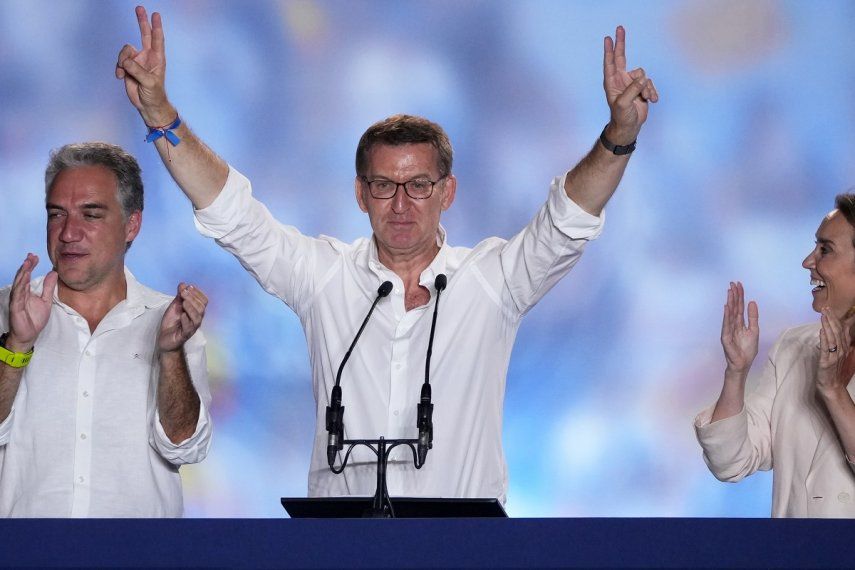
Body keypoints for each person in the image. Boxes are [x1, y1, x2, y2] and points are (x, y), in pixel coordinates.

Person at [116, 6, 657, 502]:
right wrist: (162, 116)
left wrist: (618, 135)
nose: (401, 204)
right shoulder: (323, 277)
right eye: (383, 186)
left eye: (419, 185)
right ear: (360, 194)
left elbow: (566, 222)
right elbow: (233, 215)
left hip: (460, 549)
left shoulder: (492, 281)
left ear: (448, 193)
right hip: (342, 546)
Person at [0, 142, 213, 517]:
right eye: (56, 214)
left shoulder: (170, 321)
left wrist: (170, 354)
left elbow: (185, 447)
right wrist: (16, 346)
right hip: (27, 554)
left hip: (139, 555)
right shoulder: (7, 310)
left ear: (132, 224)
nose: (68, 233)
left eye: (91, 215)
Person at [695, 197, 855, 517]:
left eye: (825, 250)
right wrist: (736, 372)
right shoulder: (793, 347)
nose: (808, 262)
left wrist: (834, 392)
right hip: (796, 556)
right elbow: (732, 461)